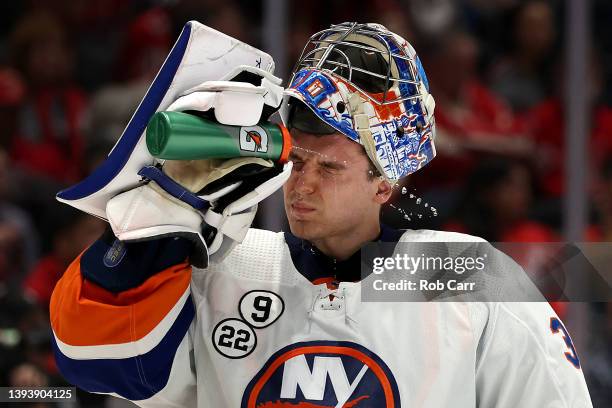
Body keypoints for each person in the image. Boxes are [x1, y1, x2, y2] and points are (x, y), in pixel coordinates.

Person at [50, 22, 592, 407]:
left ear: (387, 180)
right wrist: (158, 222)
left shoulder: (467, 274)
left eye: (328, 168)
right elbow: (93, 363)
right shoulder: (224, 261)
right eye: (295, 161)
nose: (301, 185)